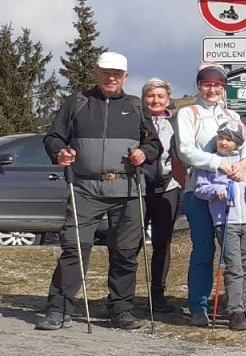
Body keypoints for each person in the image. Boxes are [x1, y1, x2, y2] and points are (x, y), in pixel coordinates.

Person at [35, 52, 161, 331]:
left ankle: (121, 311)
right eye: (106, 72)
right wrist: (59, 152)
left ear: (125, 77)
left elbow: (154, 144)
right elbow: (53, 137)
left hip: (127, 189)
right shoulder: (77, 102)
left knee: (126, 252)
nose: (111, 77)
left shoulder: (135, 106)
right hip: (85, 188)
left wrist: (144, 153)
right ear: (96, 73)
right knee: (74, 249)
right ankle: (58, 310)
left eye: (117, 73)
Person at [174, 62, 246, 328]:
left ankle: (244, 304)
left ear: (224, 88)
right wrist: (218, 163)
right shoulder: (188, 113)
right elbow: (185, 150)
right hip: (200, 191)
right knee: (204, 249)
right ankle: (199, 306)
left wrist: (244, 163)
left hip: (232, 196)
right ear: (199, 86)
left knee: (240, 254)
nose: (212, 90)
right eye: (207, 84)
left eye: (218, 85)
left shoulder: (232, 115)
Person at [194, 125, 246, 331]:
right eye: (221, 138)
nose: (223, 142)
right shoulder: (211, 162)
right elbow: (200, 188)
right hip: (226, 221)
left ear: (238, 143)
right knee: (234, 266)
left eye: (229, 139)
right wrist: (217, 190)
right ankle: (235, 310)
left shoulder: (244, 164)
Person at [139, 78, 180, 313]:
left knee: (162, 243)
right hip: (139, 188)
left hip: (168, 187)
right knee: (131, 243)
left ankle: (158, 295)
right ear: (143, 98)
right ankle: (122, 295)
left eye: (160, 96)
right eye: (151, 96)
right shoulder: (134, 120)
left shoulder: (174, 124)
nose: (155, 100)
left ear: (168, 100)